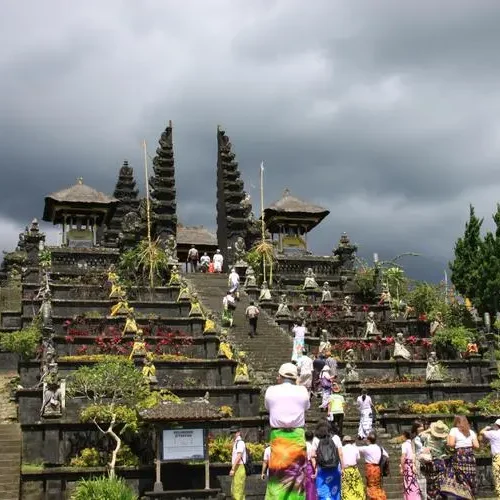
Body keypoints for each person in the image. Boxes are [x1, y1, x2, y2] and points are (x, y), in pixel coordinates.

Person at [265, 363, 310, 499]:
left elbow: (268, 407)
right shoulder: (302, 391)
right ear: (295, 378)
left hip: (278, 438)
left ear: (279, 377)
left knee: (278, 477)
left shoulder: (271, 391)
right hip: (296, 437)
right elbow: (306, 407)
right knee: (297, 478)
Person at [440, 415, 479, 499]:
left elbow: (451, 444)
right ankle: (470, 495)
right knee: (469, 478)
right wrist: (468, 445)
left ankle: (464, 496)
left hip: (460, 457)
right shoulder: (471, 432)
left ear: (457, 422)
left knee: (461, 479)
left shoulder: (454, 430)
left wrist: (449, 441)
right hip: (470, 458)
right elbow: (477, 446)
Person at [312, 421, 343, 500]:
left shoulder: (316, 439)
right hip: (335, 469)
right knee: (335, 492)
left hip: (322, 470)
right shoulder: (336, 438)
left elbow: (312, 456)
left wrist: (315, 470)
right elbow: (341, 454)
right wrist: (343, 467)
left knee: (322, 492)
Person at [419, 420, 449, 500]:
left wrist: (429, 430)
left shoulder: (427, 437)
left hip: (429, 463)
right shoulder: (444, 440)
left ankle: (432, 497)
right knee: (441, 485)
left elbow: (420, 434)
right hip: (440, 462)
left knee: (430, 485)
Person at [358, 432, 388, 500]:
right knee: (377, 486)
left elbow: (356, 448)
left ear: (369, 440)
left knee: (371, 486)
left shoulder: (367, 448)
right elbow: (386, 456)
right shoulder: (380, 448)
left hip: (370, 469)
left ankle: (377, 498)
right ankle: (380, 497)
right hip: (377, 468)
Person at [341, 435, 366, 500]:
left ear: (344, 442)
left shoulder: (341, 449)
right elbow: (358, 458)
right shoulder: (355, 448)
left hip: (345, 470)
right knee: (356, 486)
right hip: (354, 469)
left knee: (346, 488)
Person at [480, 419, 500, 497]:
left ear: (496, 425)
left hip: (497, 458)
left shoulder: (493, 433)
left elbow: (481, 432)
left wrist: (486, 428)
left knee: (498, 477)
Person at [401, 430, 422, 499]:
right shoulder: (412, 444)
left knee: (408, 483)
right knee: (413, 482)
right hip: (413, 465)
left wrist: (402, 467)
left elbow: (403, 456)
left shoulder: (404, 444)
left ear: (404, 436)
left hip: (407, 466)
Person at [230, 428, 247, 500]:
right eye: (232, 433)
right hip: (237, 467)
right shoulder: (236, 443)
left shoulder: (240, 443)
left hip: (239, 467)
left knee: (237, 490)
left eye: (235, 432)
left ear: (238, 433)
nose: (233, 434)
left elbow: (239, 456)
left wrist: (233, 469)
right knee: (236, 489)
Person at [411, 420, 427, 499]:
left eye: (422, 426)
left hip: (428, 462)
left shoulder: (428, 436)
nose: (422, 428)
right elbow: (413, 453)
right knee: (421, 482)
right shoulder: (414, 439)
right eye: (420, 426)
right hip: (419, 462)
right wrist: (413, 464)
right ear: (416, 428)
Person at [305, 430, 318, 500]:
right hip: (309, 468)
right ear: (312, 438)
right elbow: (313, 461)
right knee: (310, 487)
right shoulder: (311, 447)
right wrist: (316, 471)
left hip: (301, 468)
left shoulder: (301, 446)